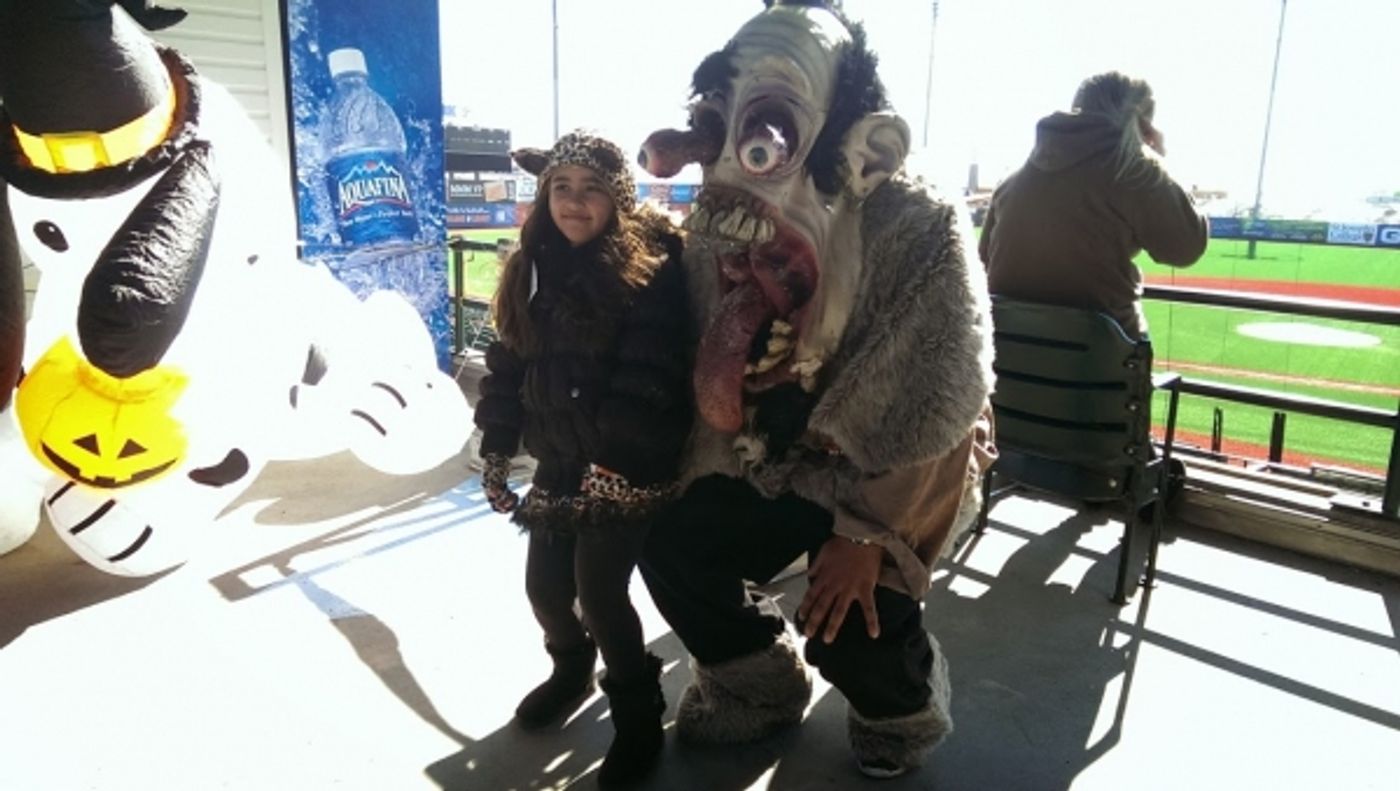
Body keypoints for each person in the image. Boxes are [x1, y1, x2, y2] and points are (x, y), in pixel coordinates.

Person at [634, 1, 995, 779]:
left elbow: (942, 402)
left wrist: (866, 532)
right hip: (773, 451)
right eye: (715, 123)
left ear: (866, 151)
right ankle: (758, 679)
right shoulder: (724, 219)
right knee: (668, 539)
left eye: (760, 129)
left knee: (847, 618)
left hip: (895, 472)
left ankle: (902, 709)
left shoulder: (918, 224)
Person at [473, 130, 690, 788]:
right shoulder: (529, 266)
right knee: (545, 588)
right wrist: (496, 444)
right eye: (561, 188)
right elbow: (507, 365)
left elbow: (647, 373)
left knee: (599, 592)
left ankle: (637, 709)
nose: (574, 201)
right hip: (562, 459)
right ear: (543, 197)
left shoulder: (646, 270)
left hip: (627, 463)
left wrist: (616, 461)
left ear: (616, 200)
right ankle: (570, 669)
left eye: (592, 189)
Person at [979, 70, 1209, 338]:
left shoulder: (1012, 180)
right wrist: (1161, 161)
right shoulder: (1137, 172)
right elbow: (1184, 248)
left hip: (1014, 364)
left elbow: (984, 260)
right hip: (1099, 369)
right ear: (1143, 124)